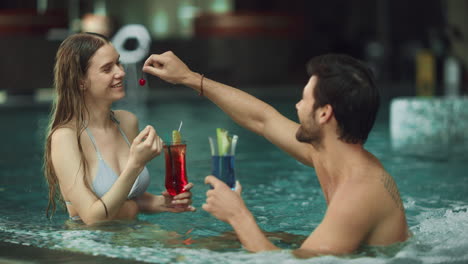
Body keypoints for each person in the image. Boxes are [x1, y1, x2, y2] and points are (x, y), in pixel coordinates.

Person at [142, 51, 409, 257]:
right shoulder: (328, 153)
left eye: (304, 99)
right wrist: (188, 77)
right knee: (219, 243)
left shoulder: (360, 193)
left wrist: (238, 215)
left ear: (324, 113)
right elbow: (262, 119)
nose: (297, 105)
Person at [44, 33, 195, 226]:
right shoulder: (65, 137)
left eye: (118, 63)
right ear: (80, 81)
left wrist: (164, 203)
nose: (121, 72)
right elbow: (92, 218)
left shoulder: (127, 121)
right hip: (92, 246)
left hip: (132, 236)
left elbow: (130, 198)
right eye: (107, 68)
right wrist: (136, 164)